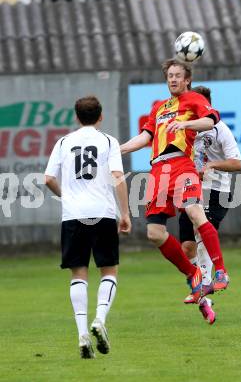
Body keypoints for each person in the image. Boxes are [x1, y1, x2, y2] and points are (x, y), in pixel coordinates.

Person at [121, 58, 228, 305]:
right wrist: (120, 149)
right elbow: (145, 136)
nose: (173, 79)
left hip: (182, 165)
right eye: (170, 75)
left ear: (187, 79)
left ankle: (221, 271)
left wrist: (187, 123)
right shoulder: (159, 107)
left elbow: (211, 120)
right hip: (158, 170)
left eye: (178, 75)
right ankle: (193, 274)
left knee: (194, 212)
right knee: (154, 233)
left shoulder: (194, 99)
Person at [45, 96, 131, 359]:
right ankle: (100, 320)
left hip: (73, 216)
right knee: (109, 270)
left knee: (78, 274)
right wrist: (125, 213)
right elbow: (118, 178)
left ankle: (82, 333)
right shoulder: (108, 141)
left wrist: (65, 196)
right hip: (103, 214)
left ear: (76, 116)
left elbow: (48, 178)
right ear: (101, 116)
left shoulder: (63, 142)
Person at [179, 86, 241, 323]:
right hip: (189, 188)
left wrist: (212, 166)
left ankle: (205, 284)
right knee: (187, 247)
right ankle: (203, 290)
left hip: (217, 190)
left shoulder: (220, 130)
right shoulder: (184, 128)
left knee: (203, 233)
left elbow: (238, 163)